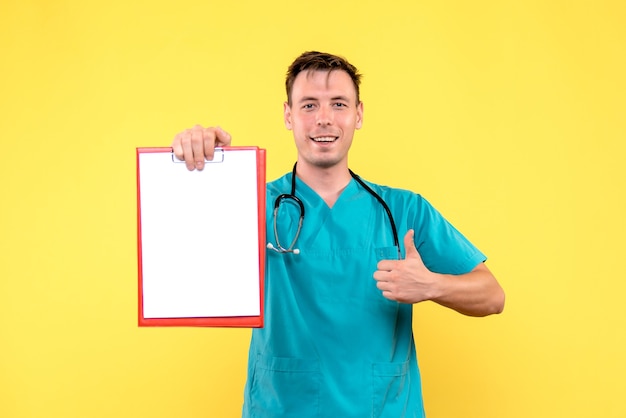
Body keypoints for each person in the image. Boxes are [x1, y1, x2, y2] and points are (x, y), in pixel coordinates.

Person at [171, 51, 505, 418]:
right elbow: (181, 258)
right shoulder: (253, 204)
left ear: (358, 114)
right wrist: (198, 168)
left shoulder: (404, 209)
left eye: (339, 104)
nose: (324, 119)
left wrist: (432, 286)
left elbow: (492, 295)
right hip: (283, 408)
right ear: (288, 115)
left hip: (383, 409)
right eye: (309, 105)